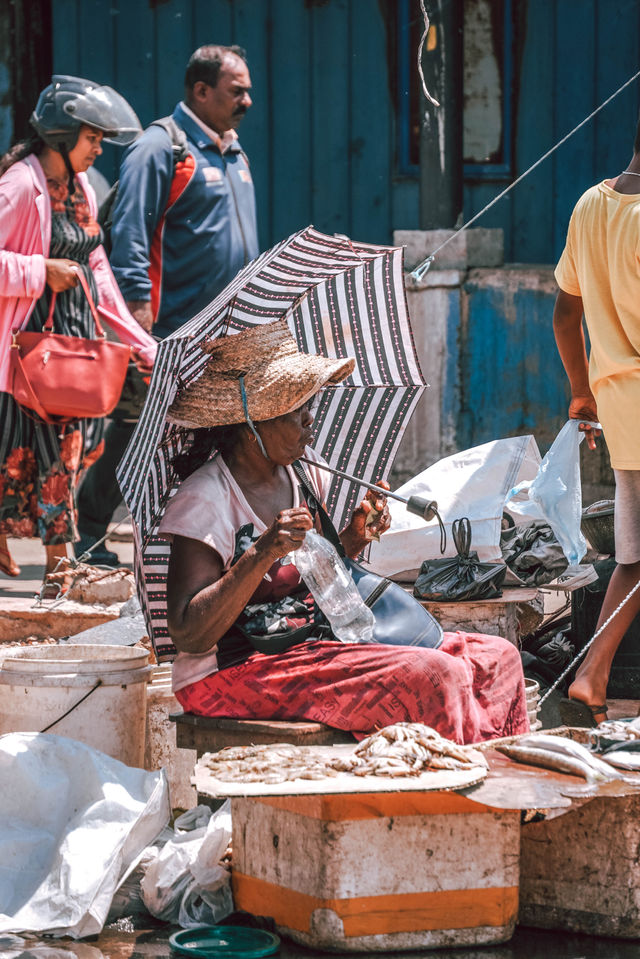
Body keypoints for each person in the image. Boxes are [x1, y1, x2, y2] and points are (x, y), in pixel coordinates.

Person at [158, 320, 529, 744]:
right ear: (251, 421)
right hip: (236, 671)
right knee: (434, 675)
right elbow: (189, 632)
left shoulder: (301, 472)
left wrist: (352, 539)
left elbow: (309, 579)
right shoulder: (205, 499)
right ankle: (444, 790)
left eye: (307, 404)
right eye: (295, 409)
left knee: (496, 658)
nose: (309, 420)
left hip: (311, 643)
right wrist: (260, 553)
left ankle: (490, 780)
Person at [76, 43, 259, 564]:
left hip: (223, 329)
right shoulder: (161, 148)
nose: (247, 100)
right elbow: (129, 233)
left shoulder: (233, 152)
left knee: (205, 437)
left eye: (247, 89)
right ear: (201, 91)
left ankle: (185, 543)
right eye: (236, 90)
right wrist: (137, 317)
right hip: (165, 330)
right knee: (138, 433)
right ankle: (91, 532)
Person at [0, 75, 157, 585]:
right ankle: (58, 569)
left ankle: (52, 563)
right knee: (38, 456)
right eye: (92, 139)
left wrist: (138, 343)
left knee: (68, 451)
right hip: (25, 348)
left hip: (72, 345)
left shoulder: (82, 188)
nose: (98, 150)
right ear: (62, 137)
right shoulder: (20, 185)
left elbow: (98, 272)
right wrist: (38, 270)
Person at [553, 115, 640, 726]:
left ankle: (592, 674)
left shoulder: (591, 205)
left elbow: (565, 314)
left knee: (633, 556)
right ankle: (592, 670)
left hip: (619, 403)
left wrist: (582, 392)